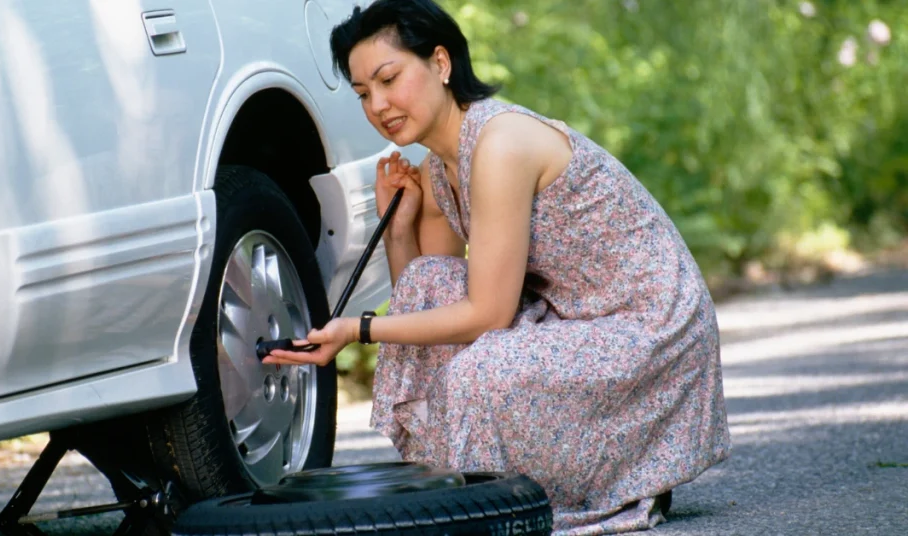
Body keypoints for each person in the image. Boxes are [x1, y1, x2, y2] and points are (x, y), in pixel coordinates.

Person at [263, 0, 732, 533]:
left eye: (389, 78)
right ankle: (467, 489)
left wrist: (358, 329)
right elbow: (427, 307)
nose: (380, 105)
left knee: (478, 375)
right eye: (364, 93)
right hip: (572, 320)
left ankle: (599, 484)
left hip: (649, 330)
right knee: (431, 289)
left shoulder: (501, 143)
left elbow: (487, 313)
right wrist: (399, 227)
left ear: (441, 64)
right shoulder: (437, 169)